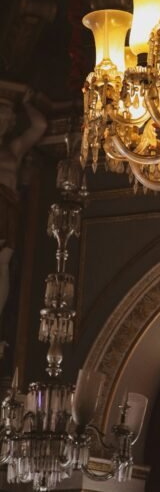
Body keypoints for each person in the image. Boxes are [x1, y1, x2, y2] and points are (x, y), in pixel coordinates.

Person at [0, 90, 46, 345]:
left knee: (3, 263)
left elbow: (40, 125)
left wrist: (28, 104)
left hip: (6, 208)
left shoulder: (13, 149)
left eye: (4, 120)